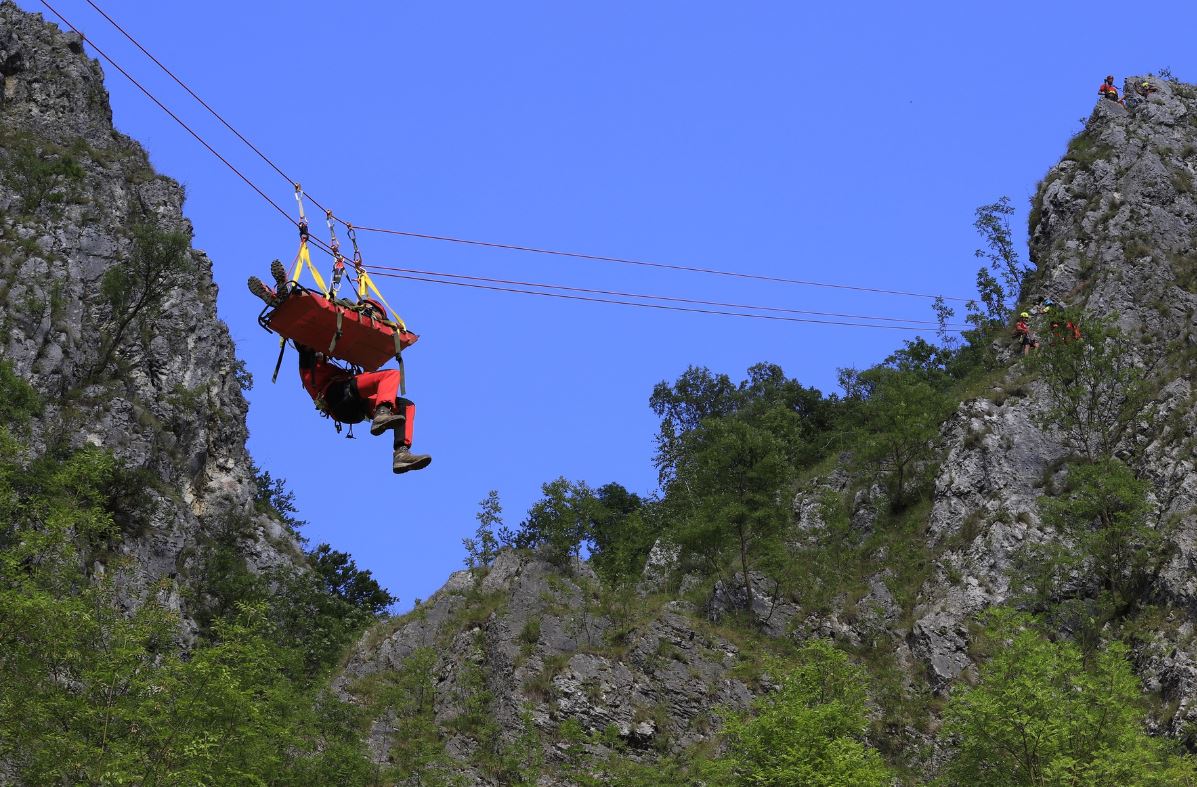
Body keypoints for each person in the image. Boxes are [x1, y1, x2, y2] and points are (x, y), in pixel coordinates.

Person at [248, 263, 432, 474]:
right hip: (338, 396)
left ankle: (401, 454)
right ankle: (279, 296)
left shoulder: (325, 359)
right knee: (390, 376)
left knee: (406, 405)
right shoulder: (311, 359)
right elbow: (305, 329)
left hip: (349, 404)